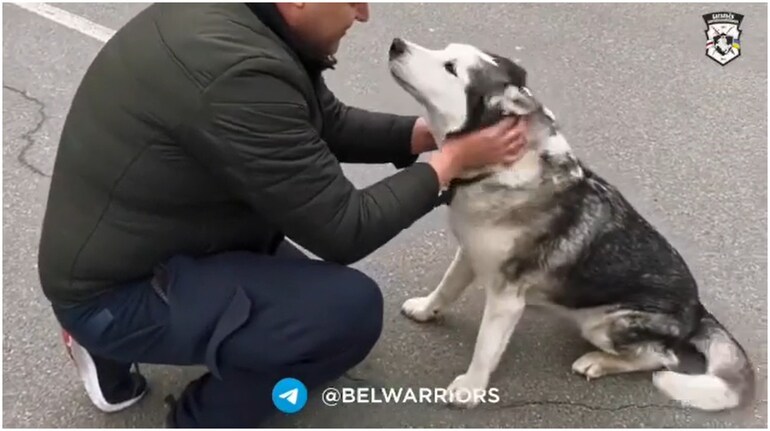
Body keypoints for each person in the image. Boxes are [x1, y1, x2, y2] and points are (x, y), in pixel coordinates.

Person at [37, 3, 528, 427]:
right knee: (347, 315)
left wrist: (423, 135)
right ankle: (196, 418)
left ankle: (110, 344)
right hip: (115, 294)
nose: (363, 13)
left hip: (145, 242)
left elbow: (320, 121)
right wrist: (449, 165)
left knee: (307, 306)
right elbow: (344, 228)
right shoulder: (238, 73)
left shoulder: (244, 21)